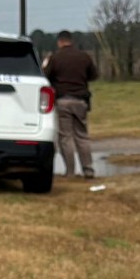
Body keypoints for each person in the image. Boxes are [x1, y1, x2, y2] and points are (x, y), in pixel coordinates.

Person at [41, 30, 98, 179]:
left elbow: (44, 76)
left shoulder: (55, 57)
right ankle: (88, 169)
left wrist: (46, 65)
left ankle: (70, 172)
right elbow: (94, 75)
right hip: (81, 100)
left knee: (65, 137)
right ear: (71, 41)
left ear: (59, 42)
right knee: (82, 135)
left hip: (63, 100)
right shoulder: (84, 57)